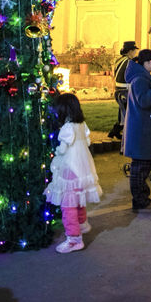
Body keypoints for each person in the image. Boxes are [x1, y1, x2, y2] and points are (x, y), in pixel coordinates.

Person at [44, 93, 103, 253]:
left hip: (70, 168)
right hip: (84, 168)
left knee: (68, 204)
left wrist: (57, 150)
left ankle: (74, 239)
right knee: (78, 198)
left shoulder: (67, 128)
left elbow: (63, 149)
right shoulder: (81, 124)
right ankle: (82, 224)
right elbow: (88, 141)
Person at [123, 48, 151, 213]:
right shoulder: (140, 79)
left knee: (142, 166)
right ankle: (140, 201)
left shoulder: (140, 76)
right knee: (140, 167)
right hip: (140, 128)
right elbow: (144, 101)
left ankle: (142, 199)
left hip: (141, 126)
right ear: (146, 62)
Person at [108, 41, 139, 139]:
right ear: (130, 51)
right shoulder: (129, 62)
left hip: (118, 90)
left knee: (123, 113)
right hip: (124, 91)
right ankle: (124, 137)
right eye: (134, 51)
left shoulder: (119, 60)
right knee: (127, 115)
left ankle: (115, 132)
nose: (135, 53)